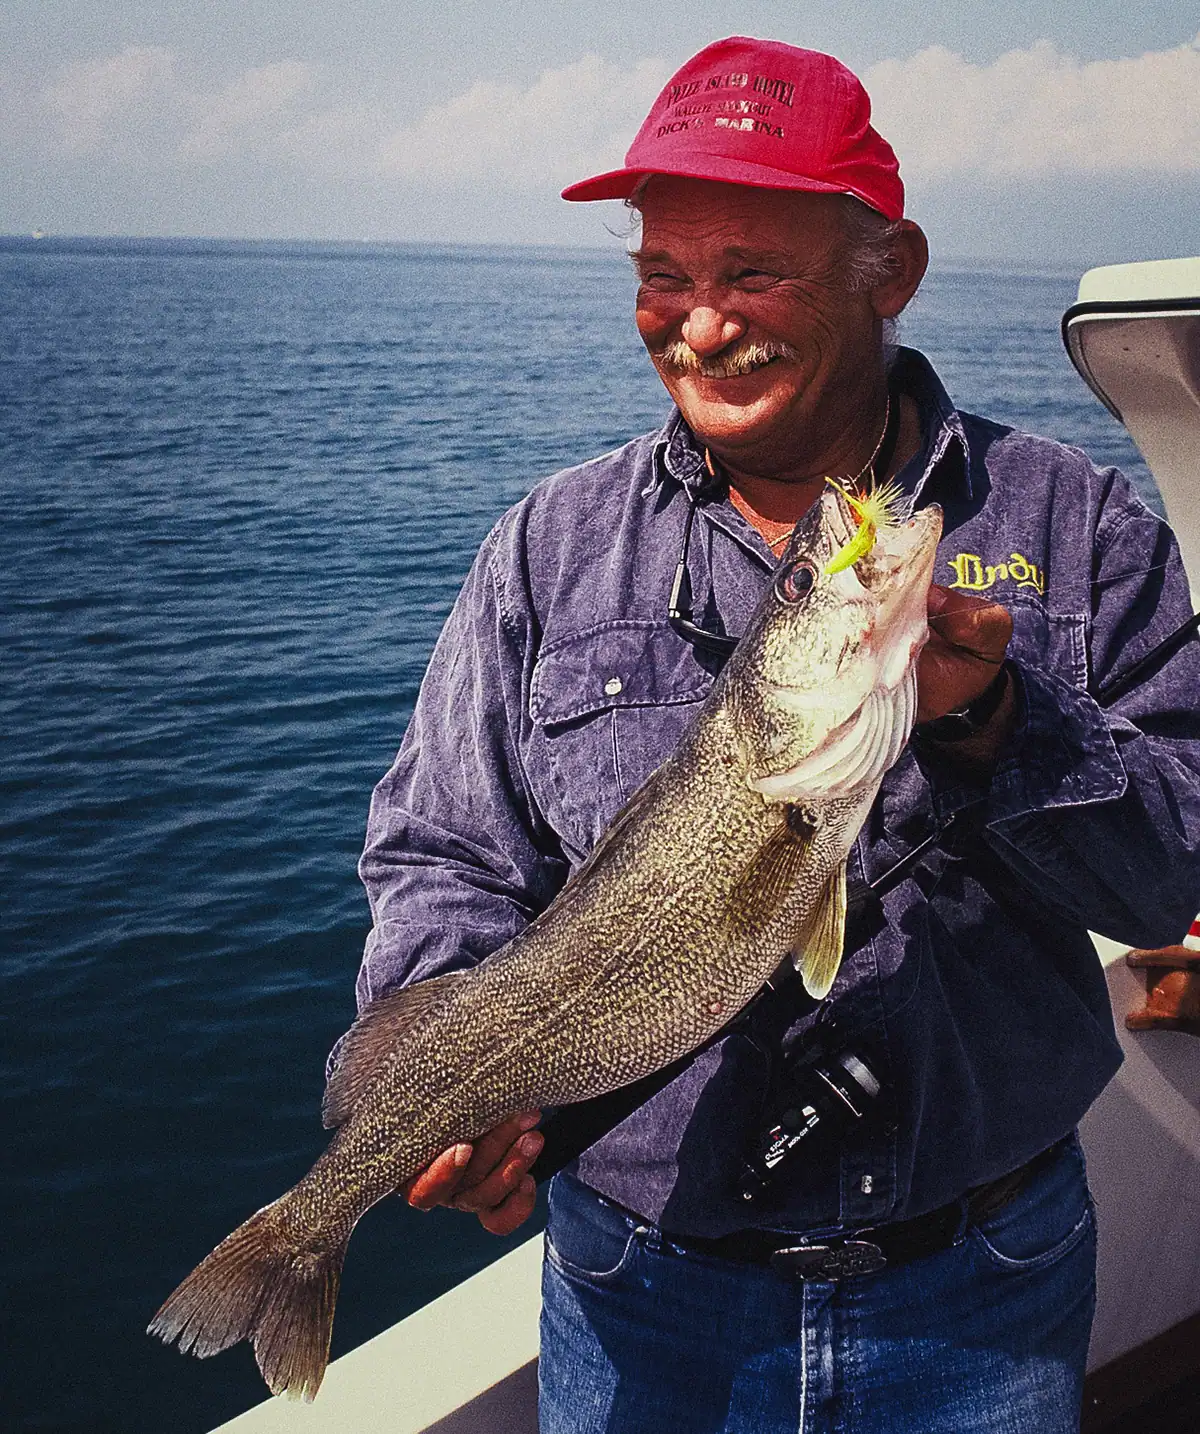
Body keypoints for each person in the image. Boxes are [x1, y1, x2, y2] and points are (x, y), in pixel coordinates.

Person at [340, 36, 1200, 1433]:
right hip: (640, 1294)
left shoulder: (1075, 528)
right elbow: (439, 852)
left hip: (982, 1285)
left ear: (892, 272)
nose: (699, 322)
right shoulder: (547, 551)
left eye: (753, 274)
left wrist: (994, 718)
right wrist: (458, 1081)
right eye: (662, 278)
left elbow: (1178, 865)